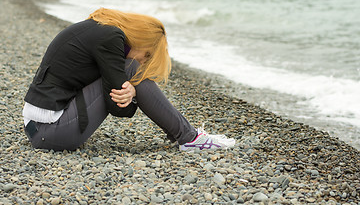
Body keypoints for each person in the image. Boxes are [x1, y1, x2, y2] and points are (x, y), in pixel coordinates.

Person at [22, 8, 235, 151]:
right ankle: (190, 139)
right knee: (131, 68)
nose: (145, 60)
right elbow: (119, 109)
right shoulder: (111, 38)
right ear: (142, 39)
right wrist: (132, 90)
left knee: (131, 69)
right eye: (148, 55)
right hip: (51, 132)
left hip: (39, 127)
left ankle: (189, 136)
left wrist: (129, 89)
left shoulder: (99, 28)